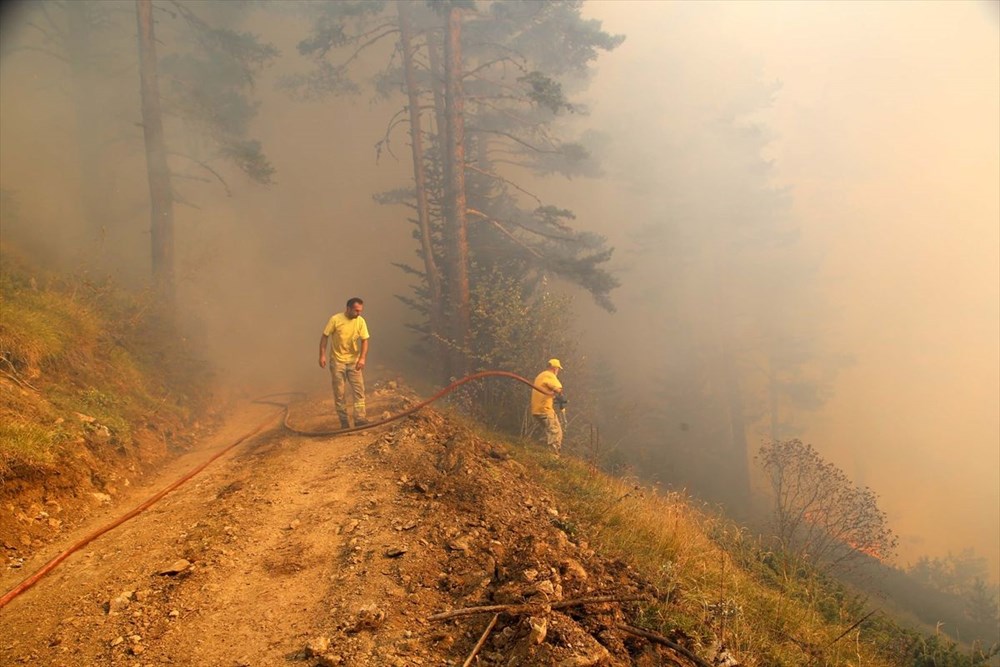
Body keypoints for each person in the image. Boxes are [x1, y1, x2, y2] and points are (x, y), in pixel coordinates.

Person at [318, 297, 370, 429]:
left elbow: (365, 340)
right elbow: (325, 336)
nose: (359, 313)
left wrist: (362, 358)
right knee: (339, 393)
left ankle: (360, 419)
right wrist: (322, 355)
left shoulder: (360, 321)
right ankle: (344, 422)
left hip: (354, 362)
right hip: (337, 362)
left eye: (360, 311)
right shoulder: (335, 319)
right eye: (356, 311)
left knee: (359, 391)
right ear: (348, 308)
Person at [531, 358, 564, 455]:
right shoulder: (550, 376)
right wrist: (560, 395)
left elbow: (545, 391)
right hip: (545, 409)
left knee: (549, 431)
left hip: (536, 410)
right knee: (556, 432)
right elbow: (558, 389)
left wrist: (553, 397)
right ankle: (553, 458)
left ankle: (542, 452)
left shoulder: (540, 376)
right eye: (558, 369)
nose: (558, 371)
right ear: (555, 368)